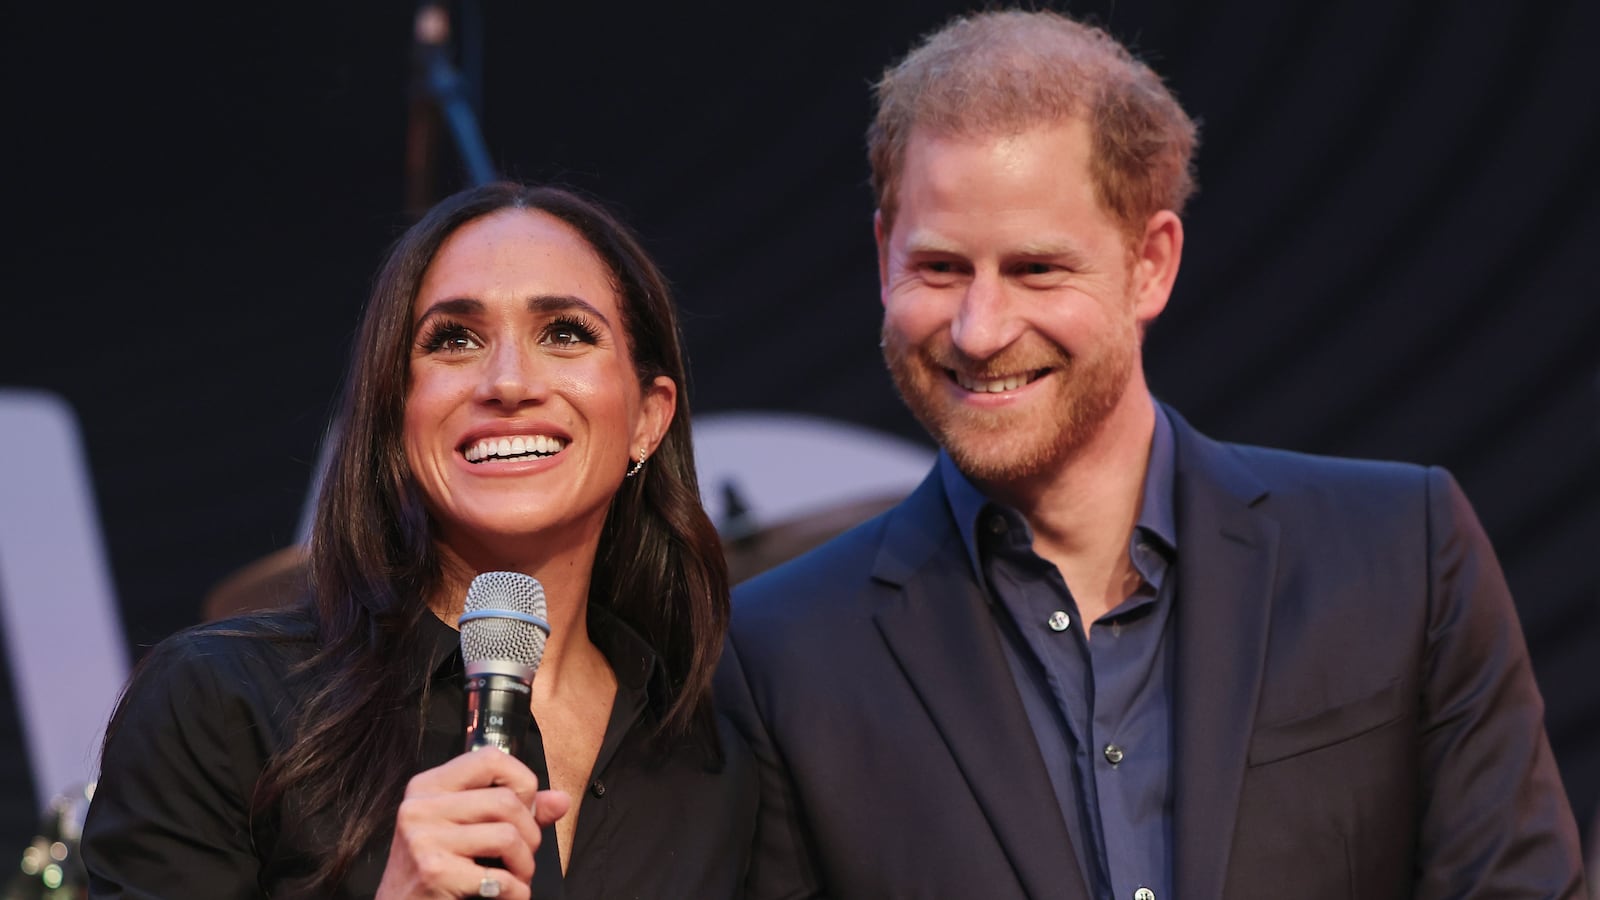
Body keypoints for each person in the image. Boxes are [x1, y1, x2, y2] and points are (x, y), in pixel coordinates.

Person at [715, 9, 1589, 899]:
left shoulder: (1404, 558)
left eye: (1037, 270)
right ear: (880, 258)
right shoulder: (777, 656)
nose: (980, 330)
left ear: (1151, 265)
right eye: (939, 269)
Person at [82, 182, 755, 898]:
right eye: (454, 340)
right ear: (396, 414)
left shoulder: (718, 751)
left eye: (564, 332)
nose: (508, 382)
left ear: (649, 419)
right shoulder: (219, 705)